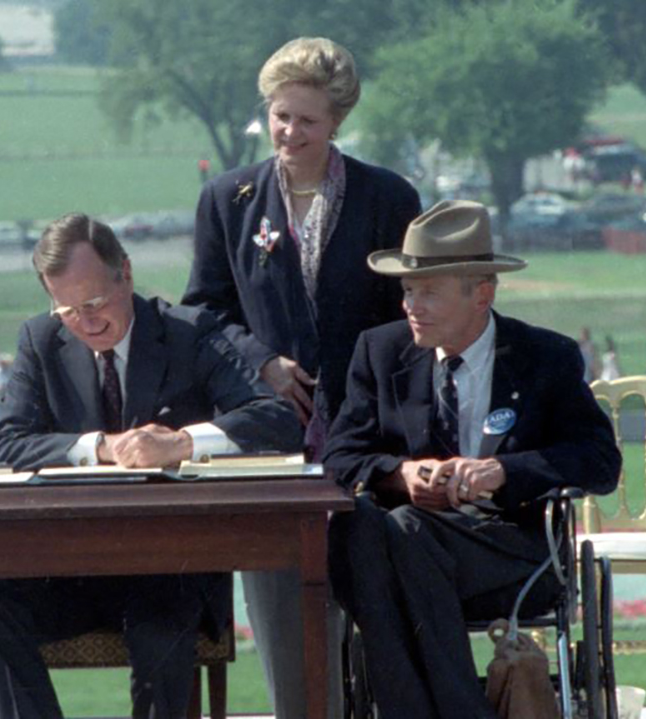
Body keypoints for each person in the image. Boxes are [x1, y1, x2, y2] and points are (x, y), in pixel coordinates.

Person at [0, 213, 299, 719]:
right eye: (69, 310)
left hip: (171, 567)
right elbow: (5, 443)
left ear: (127, 272)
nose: (87, 321)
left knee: (160, 625)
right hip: (71, 568)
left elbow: (275, 419)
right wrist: (98, 446)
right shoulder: (40, 340)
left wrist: (182, 444)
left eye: (96, 302)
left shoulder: (188, 333)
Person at [179, 36, 421, 718]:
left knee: (371, 600)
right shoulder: (228, 199)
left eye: (306, 121)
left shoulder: (387, 196)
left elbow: (411, 313)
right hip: (268, 441)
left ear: (337, 121)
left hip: (368, 434)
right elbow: (203, 310)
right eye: (280, 116)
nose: (289, 132)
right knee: (286, 616)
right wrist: (261, 360)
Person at [323, 200, 621, 718]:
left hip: (510, 549)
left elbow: (599, 461)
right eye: (408, 290)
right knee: (362, 528)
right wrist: (402, 474)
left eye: (429, 292)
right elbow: (340, 456)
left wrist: (504, 470)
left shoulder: (544, 357)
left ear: (481, 294)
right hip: (409, 544)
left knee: (396, 534)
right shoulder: (379, 351)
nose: (411, 306)